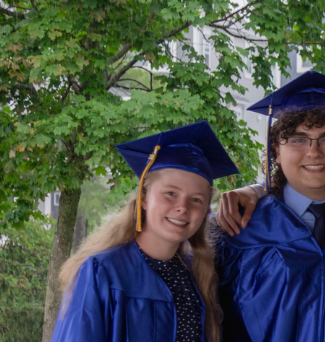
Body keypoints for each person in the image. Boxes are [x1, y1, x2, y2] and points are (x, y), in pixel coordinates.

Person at [215, 71, 325, 341]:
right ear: (275, 151)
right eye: (297, 139)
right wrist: (258, 189)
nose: (313, 151)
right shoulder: (237, 233)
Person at [51, 121, 239, 342]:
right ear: (144, 198)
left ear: (206, 209)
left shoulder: (198, 273)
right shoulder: (103, 271)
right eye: (170, 193)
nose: (182, 207)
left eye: (196, 199)